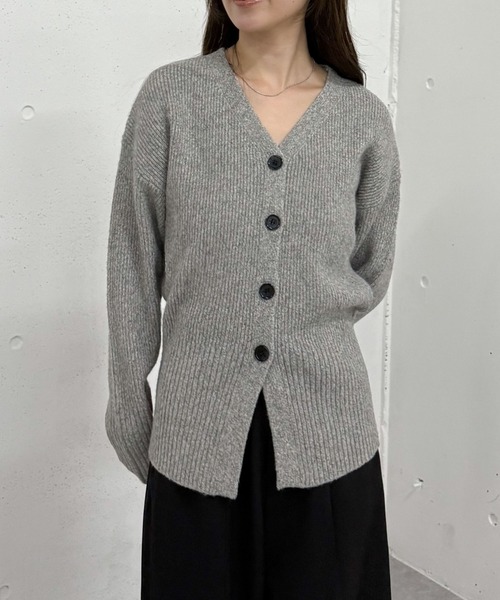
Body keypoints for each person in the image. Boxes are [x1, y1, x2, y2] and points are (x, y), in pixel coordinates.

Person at [105, 0, 401, 598]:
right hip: (195, 435)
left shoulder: (362, 119)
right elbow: (132, 263)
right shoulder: (171, 99)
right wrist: (129, 400)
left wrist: (305, 319)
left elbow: (369, 270)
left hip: (329, 441)